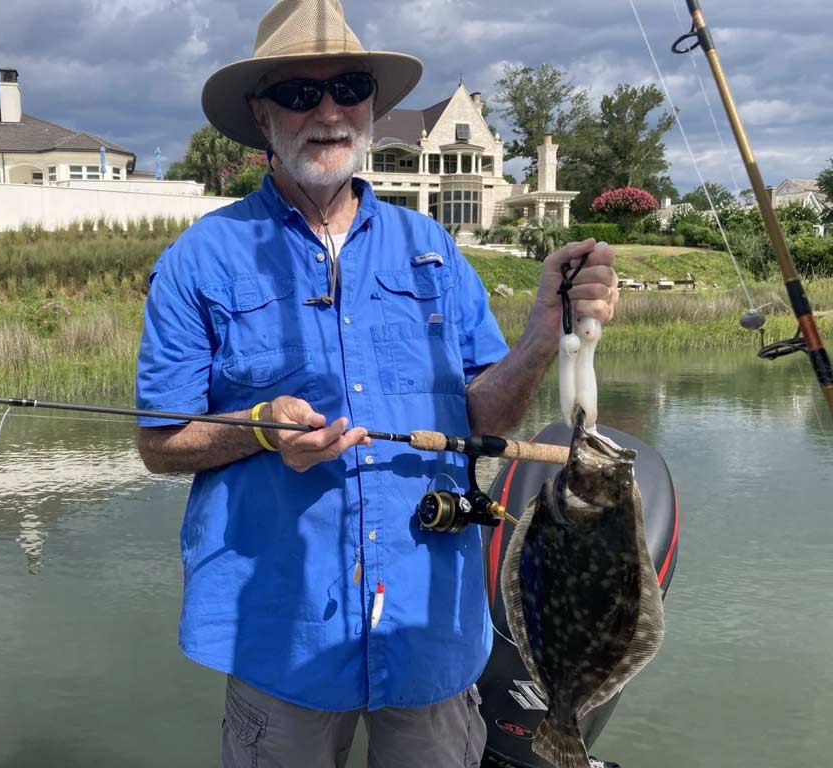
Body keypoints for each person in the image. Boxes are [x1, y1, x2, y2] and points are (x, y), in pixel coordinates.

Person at [135, 1, 618, 765]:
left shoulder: (430, 246)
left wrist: (540, 338)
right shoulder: (201, 259)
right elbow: (159, 443)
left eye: (349, 87)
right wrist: (258, 429)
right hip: (282, 641)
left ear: (372, 108)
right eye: (299, 94)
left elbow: (481, 412)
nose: (327, 111)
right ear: (262, 117)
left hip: (431, 625)